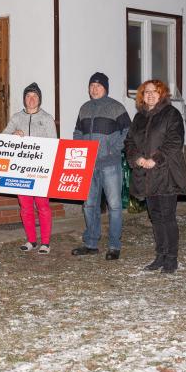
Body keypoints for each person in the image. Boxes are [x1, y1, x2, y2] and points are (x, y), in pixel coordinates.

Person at [124, 80, 186, 274]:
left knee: (167, 217)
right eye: (146, 92)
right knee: (156, 217)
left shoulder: (171, 114)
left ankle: (171, 258)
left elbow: (174, 141)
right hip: (147, 176)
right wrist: (137, 158)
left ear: (162, 94)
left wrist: (155, 159)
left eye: (154, 91)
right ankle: (160, 255)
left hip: (165, 173)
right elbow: (129, 142)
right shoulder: (139, 118)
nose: (150, 95)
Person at [71, 72, 131, 260]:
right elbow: (77, 132)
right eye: (92, 86)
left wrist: (113, 149)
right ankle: (91, 243)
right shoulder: (84, 108)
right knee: (89, 205)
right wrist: (80, 151)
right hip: (88, 165)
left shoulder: (116, 107)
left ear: (105, 88)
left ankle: (114, 245)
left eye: (98, 86)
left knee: (114, 206)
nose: (94, 89)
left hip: (110, 164)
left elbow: (128, 132)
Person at [2, 82, 57, 254]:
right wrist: (13, 135)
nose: (31, 99)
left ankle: (45, 242)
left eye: (34, 96)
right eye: (28, 96)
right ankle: (31, 240)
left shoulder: (47, 118)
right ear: (24, 99)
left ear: (39, 99)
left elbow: (54, 144)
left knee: (43, 206)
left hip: (41, 171)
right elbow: (2, 137)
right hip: (21, 170)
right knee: (25, 207)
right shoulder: (17, 118)